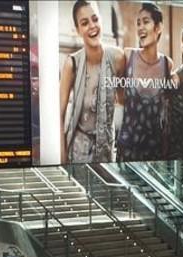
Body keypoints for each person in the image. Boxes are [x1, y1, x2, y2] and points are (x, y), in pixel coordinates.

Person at [59, 0, 125, 163]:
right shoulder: (71, 64)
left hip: (107, 155)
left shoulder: (118, 58)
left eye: (95, 19)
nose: (92, 26)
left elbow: (124, 102)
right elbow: (59, 116)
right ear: (78, 30)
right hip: (78, 156)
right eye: (84, 23)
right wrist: (62, 160)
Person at [115, 2, 170, 161]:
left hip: (155, 153)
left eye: (146, 22)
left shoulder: (167, 64)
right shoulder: (127, 57)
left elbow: (167, 112)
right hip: (127, 150)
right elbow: (121, 98)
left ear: (158, 27)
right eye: (138, 23)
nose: (140, 27)